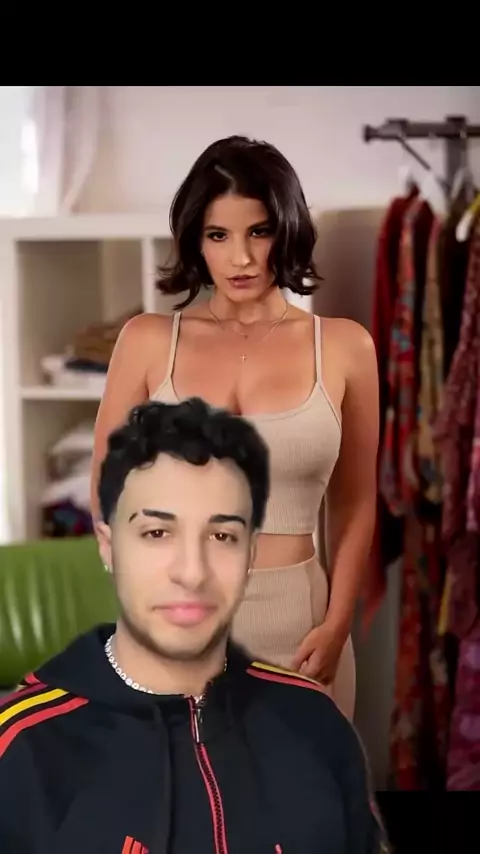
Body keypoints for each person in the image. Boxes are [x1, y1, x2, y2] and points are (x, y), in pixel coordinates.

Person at [0, 398, 388, 853]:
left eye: (222, 536)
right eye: (157, 533)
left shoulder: (315, 723)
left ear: (250, 554)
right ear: (108, 546)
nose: (192, 572)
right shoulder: (22, 749)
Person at [90, 135, 379, 721]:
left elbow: (355, 503)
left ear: (288, 230)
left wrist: (337, 623)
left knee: (302, 782)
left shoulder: (345, 347)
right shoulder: (147, 340)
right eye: (218, 235)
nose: (241, 258)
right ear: (196, 241)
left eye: (259, 232)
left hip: (301, 628)